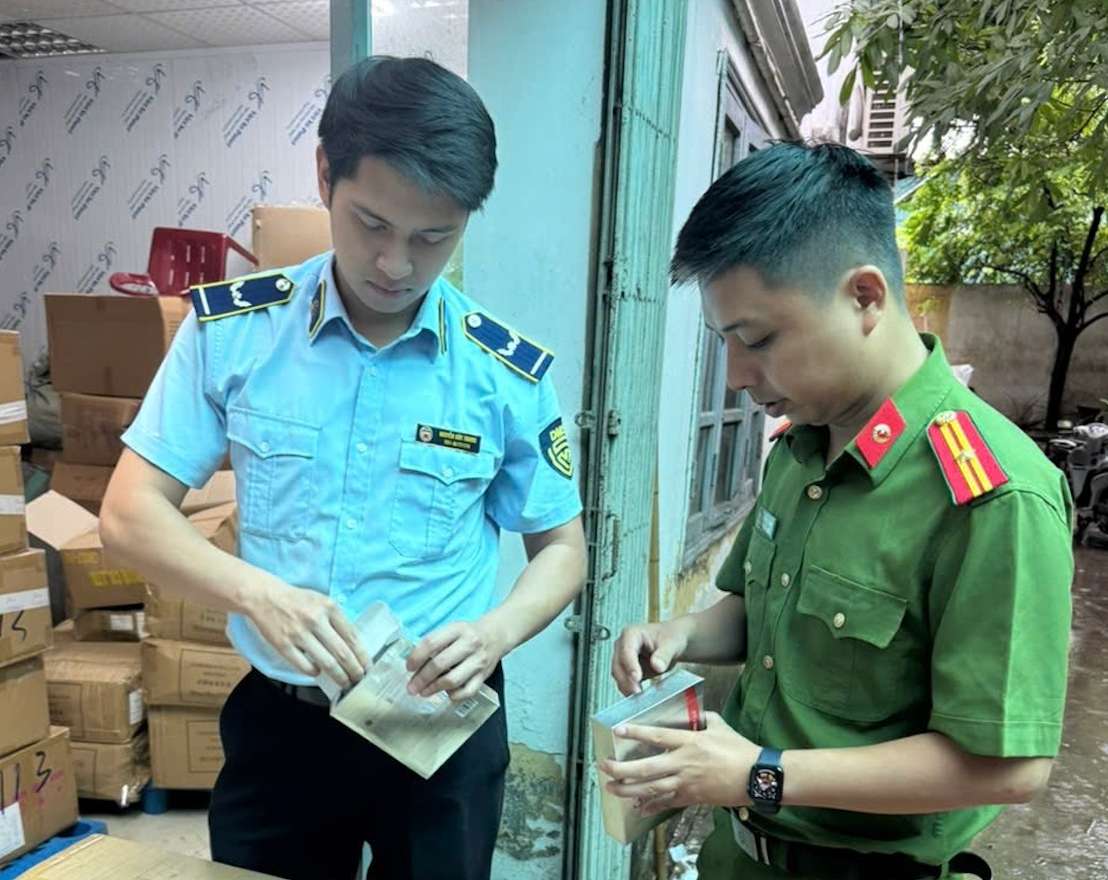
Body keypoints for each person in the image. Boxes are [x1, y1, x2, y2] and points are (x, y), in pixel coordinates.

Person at [100, 56, 587, 880]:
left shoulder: (502, 373)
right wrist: (258, 594)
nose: (397, 264)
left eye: (433, 238)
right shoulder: (235, 334)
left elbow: (563, 550)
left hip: (438, 729)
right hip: (284, 730)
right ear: (325, 174)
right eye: (372, 224)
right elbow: (127, 512)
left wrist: (495, 634)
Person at [605, 142, 1072, 880]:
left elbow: (1005, 767)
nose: (736, 377)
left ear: (865, 297)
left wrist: (758, 774)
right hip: (738, 858)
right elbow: (758, 607)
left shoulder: (992, 496)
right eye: (724, 343)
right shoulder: (800, 450)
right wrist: (681, 633)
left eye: (757, 340)